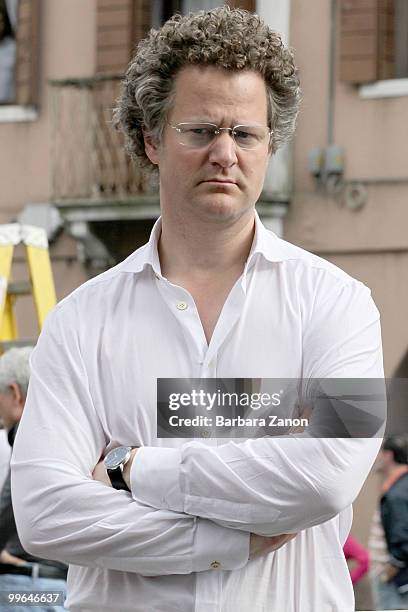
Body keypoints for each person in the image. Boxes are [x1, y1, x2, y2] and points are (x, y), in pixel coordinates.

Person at [11, 7, 384, 612]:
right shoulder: (79, 322)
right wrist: (221, 540)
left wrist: (134, 471)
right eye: (200, 130)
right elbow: (43, 513)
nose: (224, 153)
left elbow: (329, 476)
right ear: (152, 139)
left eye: (244, 133)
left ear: (270, 145)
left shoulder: (343, 305)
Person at [0, 347, 67, 612]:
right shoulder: (73, 433)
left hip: (30, 589)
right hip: (70, 585)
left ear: (15, 394)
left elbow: (8, 504)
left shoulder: (27, 437)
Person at [373, 434, 408, 609]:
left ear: (388, 455)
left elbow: (403, 542)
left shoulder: (397, 494)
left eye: (379, 451)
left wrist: (387, 573)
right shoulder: (400, 487)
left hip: (396, 582)